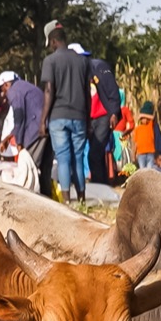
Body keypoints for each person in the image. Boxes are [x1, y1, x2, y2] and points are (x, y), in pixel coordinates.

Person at [40, 22, 95, 202]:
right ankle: (81, 198)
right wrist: (88, 120)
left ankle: (66, 201)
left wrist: (43, 120)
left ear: (54, 41)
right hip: (79, 116)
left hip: (58, 117)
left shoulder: (50, 61)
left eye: (50, 43)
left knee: (63, 159)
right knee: (78, 158)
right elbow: (87, 93)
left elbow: (49, 90)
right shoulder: (82, 61)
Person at [0, 68, 47, 186]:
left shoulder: (14, 91)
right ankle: (46, 193)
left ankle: (31, 195)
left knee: (30, 164)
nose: (2, 93)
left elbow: (19, 117)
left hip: (36, 129)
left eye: (2, 89)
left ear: (6, 84)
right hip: (44, 124)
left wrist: (19, 142)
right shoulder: (24, 87)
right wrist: (8, 138)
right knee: (45, 166)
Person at [85, 49, 127, 186]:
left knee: (94, 153)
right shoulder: (78, 74)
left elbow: (113, 89)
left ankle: (98, 185)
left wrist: (114, 112)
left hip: (103, 116)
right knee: (97, 153)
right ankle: (102, 183)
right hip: (90, 119)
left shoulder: (100, 68)